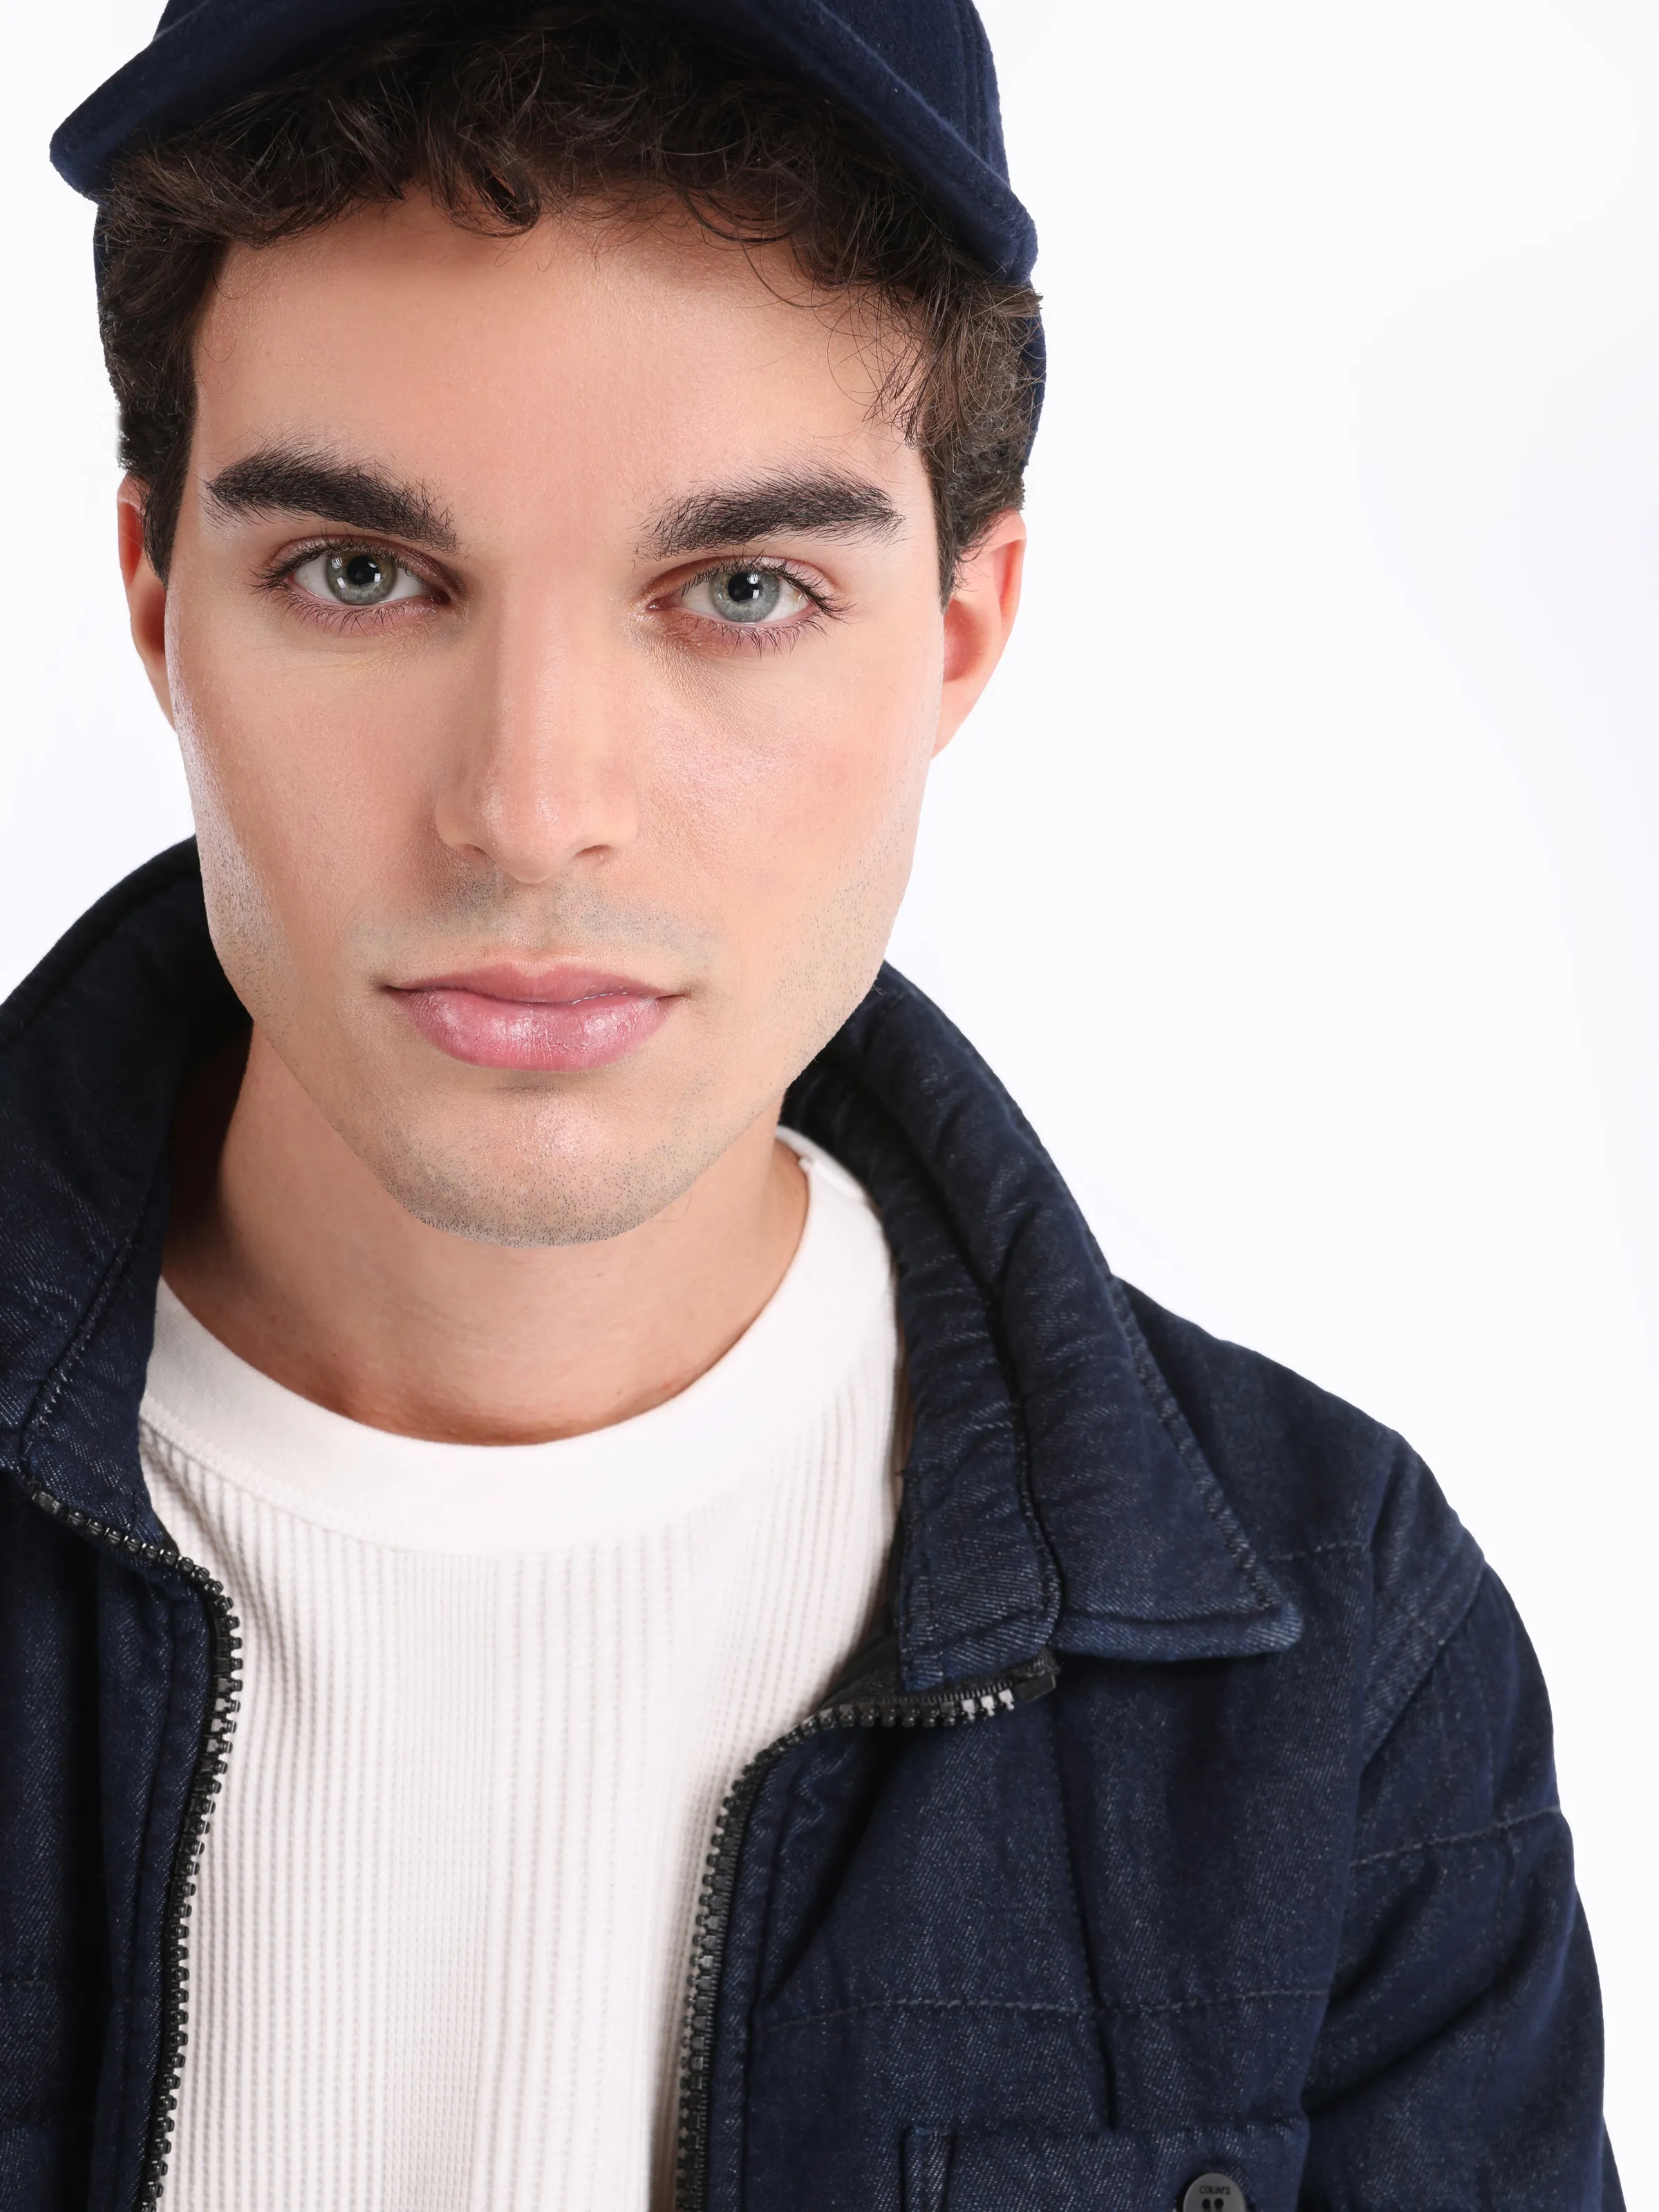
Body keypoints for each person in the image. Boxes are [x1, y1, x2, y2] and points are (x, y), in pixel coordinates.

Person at [0, 2, 1619, 2207]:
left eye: (742, 593)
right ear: (157, 605)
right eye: (362, 575)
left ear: (958, 636)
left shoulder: (1337, 1659)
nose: (533, 809)